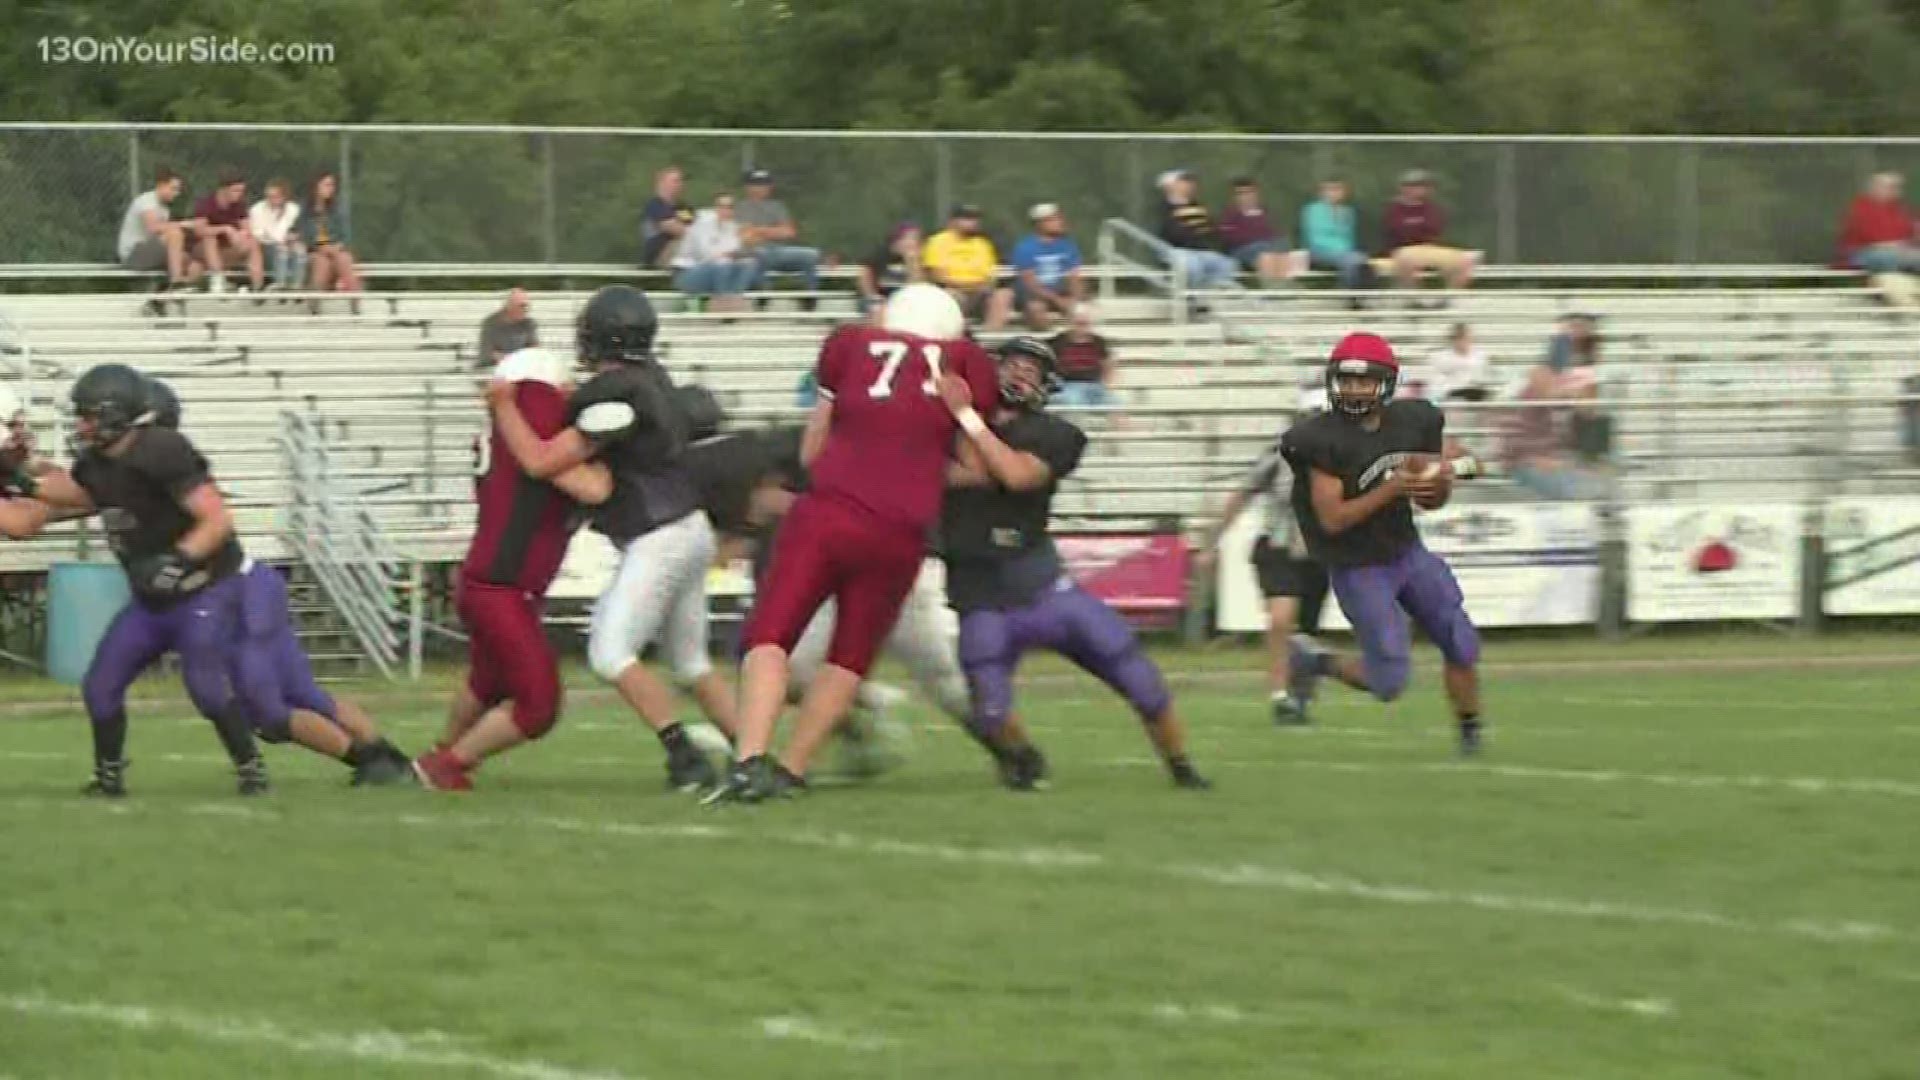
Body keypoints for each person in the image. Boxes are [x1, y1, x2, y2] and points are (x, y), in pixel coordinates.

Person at [705, 283, 1000, 803]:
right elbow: (974, 470)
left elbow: (813, 449)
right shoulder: (969, 364)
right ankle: (792, 771)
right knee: (850, 655)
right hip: (901, 532)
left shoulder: (848, 345)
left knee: (771, 635)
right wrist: (911, 469)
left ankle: (749, 760)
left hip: (830, 513)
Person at [482, 287, 740, 791]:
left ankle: (683, 755)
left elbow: (539, 461)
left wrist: (504, 407)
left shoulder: (619, 394)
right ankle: (756, 756)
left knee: (610, 652)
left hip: (658, 535)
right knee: (690, 663)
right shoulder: (652, 379)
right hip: (691, 529)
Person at [940, 338, 1210, 790]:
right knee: (988, 707)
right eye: (1012, 365)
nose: (1020, 374)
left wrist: (966, 419)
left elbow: (1017, 475)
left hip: (1044, 587)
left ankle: (1182, 768)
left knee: (1137, 677)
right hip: (978, 593)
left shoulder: (1057, 434)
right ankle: (1025, 760)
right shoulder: (949, 430)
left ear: (1049, 384)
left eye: (1032, 369)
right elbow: (937, 470)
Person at [0, 364, 267, 796]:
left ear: (112, 413)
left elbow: (217, 519)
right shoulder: (97, 462)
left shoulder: (162, 450)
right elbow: (75, 495)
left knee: (207, 689)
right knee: (101, 685)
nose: (80, 424)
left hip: (200, 587)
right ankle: (109, 778)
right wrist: (20, 481)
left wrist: (178, 560)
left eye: (86, 414)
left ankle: (251, 769)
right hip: (150, 600)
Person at [142, 377, 412, 784]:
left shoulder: (160, 473)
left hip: (237, 595)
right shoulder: (168, 469)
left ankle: (373, 765)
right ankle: (393, 762)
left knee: (268, 711)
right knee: (304, 696)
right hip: (251, 586)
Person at [412, 348, 615, 791]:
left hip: (487, 581)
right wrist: (602, 453)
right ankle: (447, 764)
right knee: (538, 704)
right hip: (504, 587)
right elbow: (591, 487)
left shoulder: (507, 425)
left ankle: (435, 755)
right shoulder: (531, 408)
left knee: (488, 682)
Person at [1280, 332, 1486, 755]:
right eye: (1347, 381)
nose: (1355, 390)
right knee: (1388, 682)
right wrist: (1392, 489)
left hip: (1406, 552)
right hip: (1358, 566)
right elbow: (1333, 520)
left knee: (1460, 640)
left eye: (1364, 381)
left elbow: (1466, 462)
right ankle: (1315, 662)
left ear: (1386, 383)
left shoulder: (1412, 421)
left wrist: (1444, 479)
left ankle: (1470, 734)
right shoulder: (1321, 438)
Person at [1198, 388, 1332, 725]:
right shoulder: (1277, 456)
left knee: (1306, 632)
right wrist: (1212, 542)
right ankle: (1278, 693)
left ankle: (1299, 696)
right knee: (1281, 618)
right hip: (1278, 547)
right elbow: (1242, 495)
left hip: (1321, 552)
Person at [1501, 315, 1606, 501]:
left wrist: (1585, 386)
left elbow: (1587, 414)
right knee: (1574, 490)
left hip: (1554, 456)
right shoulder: (1537, 378)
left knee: (1602, 477)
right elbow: (1551, 395)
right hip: (1527, 459)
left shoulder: (1574, 380)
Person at [1383, 170, 1475, 298]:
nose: (1420, 190)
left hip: (1430, 248)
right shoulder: (1394, 209)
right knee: (1406, 258)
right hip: (1403, 249)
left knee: (1464, 259)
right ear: (1404, 188)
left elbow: (1435, 229)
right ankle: (1412, 298)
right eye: (1415, 186)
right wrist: (1417, 230)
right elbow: (1398, 230)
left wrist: (1415, 229)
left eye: (1423, 186)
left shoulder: (1433, 208)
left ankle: (1450, 299)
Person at [922, 205, 1012, 328]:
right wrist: (966, 286)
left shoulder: (983, 243)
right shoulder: (938, 241)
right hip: (951, 290)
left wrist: (982, 286)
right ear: (953, 221)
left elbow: (989, 275)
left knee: (1004, 294)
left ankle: (990, 337)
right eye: (967, 219)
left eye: (975, 219)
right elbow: (937, 276)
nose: (973, 223)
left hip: (979, 292)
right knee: (953, 296)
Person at [737, 168, 822, 294]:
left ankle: (810, 295)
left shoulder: (777, 206)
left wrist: (759, 230)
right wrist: (774, 231)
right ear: (748, 187)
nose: (763, 188)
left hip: (778, 251)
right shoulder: (740, 208)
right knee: (757, 255)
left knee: (811, 254)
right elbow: (744, 235)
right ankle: (764, 295)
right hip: (752, 252)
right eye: (757, 184)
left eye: (766, 184)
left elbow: (789, 232)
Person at [1156, 170, 1240, 291]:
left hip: (1199, 250)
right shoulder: (1164, 207)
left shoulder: (1198, 206)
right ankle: (1191, 298)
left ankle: (1210, 296)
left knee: (1227, 264)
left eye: (1190, 182)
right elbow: (1172, 233)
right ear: (1171, 186)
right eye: (1184, 182)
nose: (1190, 185)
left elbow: (1210, 230)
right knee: (1193, 265)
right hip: (1174, 249)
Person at [672, 193, 756, 312]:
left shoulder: (734, 228)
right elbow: (708, 255)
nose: (725, 210)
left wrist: (741, 248)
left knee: (748, 263)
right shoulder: (702, 219)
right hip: (687, 272)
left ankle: (734, 302)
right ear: (715, 207)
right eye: (721, 206)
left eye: (730, 207)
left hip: (716, 272)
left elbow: (734, 254)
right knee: (722, 264)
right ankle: (722, 307)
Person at [116, 167, 198, 289]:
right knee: (175, 234)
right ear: (161, 185)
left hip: (150, 252)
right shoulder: (147, 201)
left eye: (178, 190)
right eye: (173, 189)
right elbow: (153, 228)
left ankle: (162, 297)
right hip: (132, 254)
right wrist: (183, 224)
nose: (177, 193)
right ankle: (176, 282)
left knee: (191, 263)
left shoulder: (164, 210)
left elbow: (161, 238)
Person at [1010, 203, 1085, 331]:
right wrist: (1058, 300)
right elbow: (1031, 284)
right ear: (1039, 224)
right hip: (1034, 296)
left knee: (1082, 311)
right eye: (1053, 219)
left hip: (1060, 293)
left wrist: (1077, 299)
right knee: (1036, 310)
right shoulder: (1026, 248)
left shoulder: (1067, 246)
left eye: (1060, 218)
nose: (1060, 222)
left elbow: (1074, 277)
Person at [190, 170, 265, 294]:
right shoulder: (206, 203)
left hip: (226, 251)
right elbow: (199, 230)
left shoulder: (239, 205)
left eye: (241, 191)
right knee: (210, 239)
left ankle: (258, 286)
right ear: (223, 189)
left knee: (252, 242)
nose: (239, 194)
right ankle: (218, 280)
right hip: (201, 249)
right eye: (235, 190)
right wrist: (225, 229)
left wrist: (242, 234)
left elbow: (247, 229)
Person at [1300, 179, 1372, 305]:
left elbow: (1349, 238)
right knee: (1354, 260)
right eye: (1330, 189)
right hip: (1319, 251)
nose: (1334, 193)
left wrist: (1348, 252)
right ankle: (1351, 299)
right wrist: (1342, 252)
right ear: (1322, 192)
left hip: (1346, 252)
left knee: (1359, 261)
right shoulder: (1313, 210)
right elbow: (1315, 238)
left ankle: (1360, 297)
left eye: (1338, 189)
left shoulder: (1348, 212)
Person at [1217, 178, 1299, 286]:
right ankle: (1279, 291)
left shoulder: (1266, 211)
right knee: (1266, 256)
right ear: (1235, 197)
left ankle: (1289, 288)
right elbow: (1229, 237)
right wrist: (1258, 238)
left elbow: (1277, 232)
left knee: (1282, 247)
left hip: (1272, 248)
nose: (1246, 196)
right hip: (1244, 249)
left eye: (1249, 192)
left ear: (1256, 193)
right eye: (1240, 193)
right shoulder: (1230, 214)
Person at [1836, 172, 1920, 274]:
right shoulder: (1860, 209)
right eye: (1890, 187)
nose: (1896, 191)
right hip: (1861, 254)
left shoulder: (1903, 209)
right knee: (1887, 257)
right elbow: (1873, 242)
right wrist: (1902, 246)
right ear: (1873, 188)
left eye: (1898, 187)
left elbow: (1913, 236)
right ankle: (1894, 284)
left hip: (1900, 252)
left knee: (1909, 257)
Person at [300, 172, 361, 301]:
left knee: (345, 258)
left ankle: (356, 303)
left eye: (332, 185)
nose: (330, 189)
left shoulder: (337, 208)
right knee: (322, 262)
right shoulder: (306, 209)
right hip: (314, 252)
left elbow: (345, 236)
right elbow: (304, 235)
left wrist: (337, 247)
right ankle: (315, 305)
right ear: (316, 187)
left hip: (335, 250)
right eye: (326, 185)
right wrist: (321, 247)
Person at [1046, 304, 1117, 409]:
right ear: (1070, 322)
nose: (1083, 327)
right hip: (1068, 385)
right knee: (1073, 402)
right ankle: (1077, 426)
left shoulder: (1099, 342)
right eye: (1079, 323)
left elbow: (1109, 364)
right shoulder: (1057, 342)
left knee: (1116, 404)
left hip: (1095, 385)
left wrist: (1108, 385)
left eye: (1086, 323)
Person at [856, 222, 924, 320]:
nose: (912, 242)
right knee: (878, 309)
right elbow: (864, 277)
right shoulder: (879, 253)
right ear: (896, 240)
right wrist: (872, 296)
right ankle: (879, 335)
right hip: (876, 297)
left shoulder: (914, 259)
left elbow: (915, 285)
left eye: (916, 239)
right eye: (909, 238)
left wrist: (911, 262)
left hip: (901, 300)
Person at [247, 178, 305, 292]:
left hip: (288, 245)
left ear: (284, 196)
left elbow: (297, 231)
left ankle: (297, 286)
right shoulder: (257, 209)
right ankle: (280, 285)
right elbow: (257, 234)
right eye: (269, 196)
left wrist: (291, 238)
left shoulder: (293, 209)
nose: (271, 200)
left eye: (275, 196)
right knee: (281, 248)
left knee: (299, 249)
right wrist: (280, 240)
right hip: (265, 247)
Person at [1420, 323, 1493, 403]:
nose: (1465, 342)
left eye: (1468, 339)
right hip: (1450, 395)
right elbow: (1435, 380)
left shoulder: (1480, 356)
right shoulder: (1439, 357)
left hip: (1476, 394)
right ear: (1453, 340)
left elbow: (1484, 376)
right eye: (1461, 339)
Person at [640, 166, 694, 269]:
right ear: (662, 183)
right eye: (676, 181)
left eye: (681, 181)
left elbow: (692, 229)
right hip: (659, 257)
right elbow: (675, 229)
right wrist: (684, 228)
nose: (680, 184)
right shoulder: (655, 205)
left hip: (681, 255)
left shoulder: (682, 207)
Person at [477, 288, 539, 367]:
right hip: (495, 368)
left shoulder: (528, 323)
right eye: (522, 306)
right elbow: (488, 353)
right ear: (509, 307)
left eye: (527, 306)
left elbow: (534, 351)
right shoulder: (491, 324)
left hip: (522, 368)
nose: (526, 310)